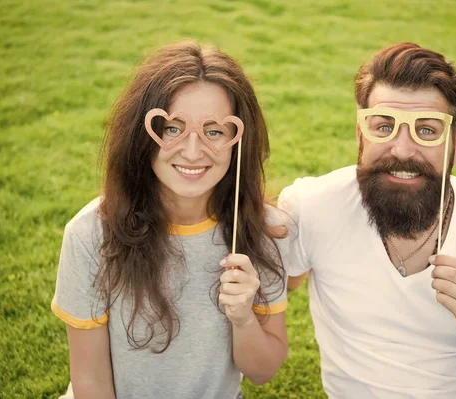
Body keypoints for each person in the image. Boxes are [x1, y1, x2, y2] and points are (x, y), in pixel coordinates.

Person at [280, 42, 456, 398]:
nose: (402, 150)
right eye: (384, 127)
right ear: (360, 134)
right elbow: (278, 281)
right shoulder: (311, 208)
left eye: (427, 131)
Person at [51, 41, 288, 399]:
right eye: (172, 129)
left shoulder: (260, 229)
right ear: (140, 135)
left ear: (240, 140)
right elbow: (92, 381)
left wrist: (243, 317)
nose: (193, 152)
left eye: (215, 131)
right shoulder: (90, 234)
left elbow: (263, 372)